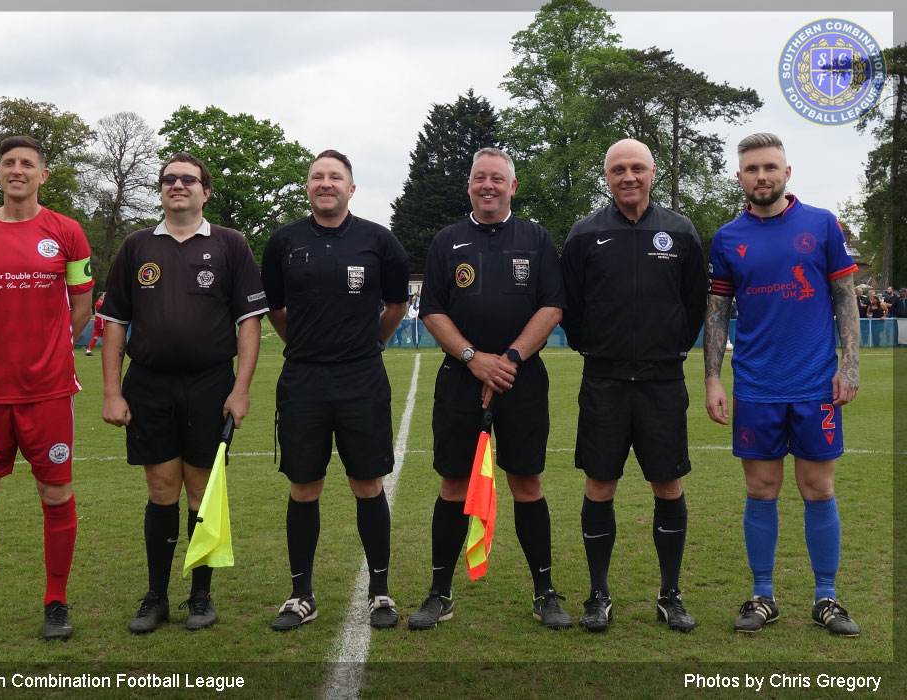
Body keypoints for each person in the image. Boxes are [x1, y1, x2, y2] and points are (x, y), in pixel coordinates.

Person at [100, 153, 266, 634]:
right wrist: (112, 391)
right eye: (169, 179)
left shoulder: (231, 245)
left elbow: (248, 324)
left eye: (188, 179)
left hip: (210, 384)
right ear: (161, 189)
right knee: (160, 490)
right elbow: (114, 325)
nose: (178, 185)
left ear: (205, 191)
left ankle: (200, 595)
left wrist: (241, 389)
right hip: (148, 385)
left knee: (201, 492)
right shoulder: (135, 247)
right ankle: (156, 597)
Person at [0, 135, 94, 645]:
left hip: (47, 390)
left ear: (43, 176)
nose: (17, 170)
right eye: (8, 163)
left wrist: (49, 351)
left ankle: (56, 602)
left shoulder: (68, 232)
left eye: (28, 163)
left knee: (55, 493)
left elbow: (81, 305)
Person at [705, 132, 861, 636]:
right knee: (761, 489)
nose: (762, 176)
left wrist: (850, 364)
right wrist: (713, 378)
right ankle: (763, 594)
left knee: (819, 488)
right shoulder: (728, 238)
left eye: (770, 167)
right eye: (752, 169)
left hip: (815, 384)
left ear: (787, 173)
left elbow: (845, 297)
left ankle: (826, 597)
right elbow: (717, 313)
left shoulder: (821, 225)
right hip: (755, 386)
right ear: (740, 178)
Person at [409, 147, 572, 631]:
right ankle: (440, 592)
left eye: (497, 179)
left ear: (512, 187)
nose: (488, 186)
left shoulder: (537, 238)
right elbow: (433, 310)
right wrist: (473, 360)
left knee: (527, 482)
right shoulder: (447, 241)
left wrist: (509, 360)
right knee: (454, 484)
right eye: (480, 178)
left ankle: (544, 592)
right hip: (461, 380)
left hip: (522, 380)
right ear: (469, 187)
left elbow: (552, 307)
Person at [560, 138, 706, 633]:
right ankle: (598, 594)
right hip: (603, 381)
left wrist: (665, 347)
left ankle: (670, 594)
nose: (628, 177)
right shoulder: (584, 234)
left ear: (653, 172)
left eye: (637, 168)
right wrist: (600, 348)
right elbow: (573, 312)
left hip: (663, 382)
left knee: (668, 484)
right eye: (618, 169)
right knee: (600, 485)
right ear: (606, 176)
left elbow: (693, 306)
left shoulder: (681, 231)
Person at [261, 149, 409, 632]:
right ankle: (301, 595)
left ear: (351, 187)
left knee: (367, 484)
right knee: (304, 486)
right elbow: (277, 312)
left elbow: (394, 306)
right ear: (308, 186)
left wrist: (369, 344)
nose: (325, 184)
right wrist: (307, 348)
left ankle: (380, 591)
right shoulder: (283, 241)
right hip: (303, 379)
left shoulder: (378, 241)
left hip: (361, 378)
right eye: (317, 177)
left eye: (335, 177)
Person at [85, 291, 105, 355]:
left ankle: (88, 350)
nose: (104, 297)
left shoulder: (101, 303)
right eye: (103, 295)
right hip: (100, 323)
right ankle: (89, 350)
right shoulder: (99, 304)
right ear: (100, 297)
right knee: (101, 337)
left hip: (101, 322)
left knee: (98, 337)